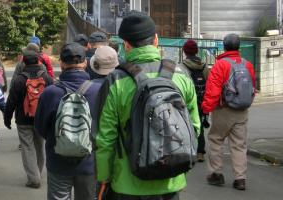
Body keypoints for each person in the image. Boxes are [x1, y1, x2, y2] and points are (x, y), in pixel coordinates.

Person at [96, 12, 200, 199]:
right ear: (156, 39)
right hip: (170, 182)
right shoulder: (181, 75)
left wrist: (104, 177)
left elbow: (105, 138)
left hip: (128, 184)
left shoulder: (116, 80)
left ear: (126, 45)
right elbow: (194, 128)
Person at [35, 42, 102, 200]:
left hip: (58, 160)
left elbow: (40, 128)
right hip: (89, 162)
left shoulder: (50, 92)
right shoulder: (98, 91)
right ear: (85, 63)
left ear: (61, 63)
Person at [202, 33, 256, 191]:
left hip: (223, 110)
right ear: (238, 46)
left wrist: (206, 108)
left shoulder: (221, 65)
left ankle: (216, 174)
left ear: (224, 46)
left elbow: (212, 90)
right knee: (239, 145)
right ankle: (240, 179)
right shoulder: (247, 64)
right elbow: (252, 88)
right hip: (242, 110)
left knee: (215, 140)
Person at [4, 49, 53, 188]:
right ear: (39, 61)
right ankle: (37, 172)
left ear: (23, 62)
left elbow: (11, 102)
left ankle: (33, 178)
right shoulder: (47, 78)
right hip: (42, 119)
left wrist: (7, 119)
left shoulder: (20, 79)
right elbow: (53, 99)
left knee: (27, 148)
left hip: (23, 119)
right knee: (40, 146)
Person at [180, 39, 210, 162]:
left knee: (185, 124)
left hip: (187, 100)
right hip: (202, 100)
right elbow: (209, 83)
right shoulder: (204, 66)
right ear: (197, 51)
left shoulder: (182, 67)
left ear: (184, 52)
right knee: (200, 126)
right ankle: (200, 153)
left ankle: (187, 151)